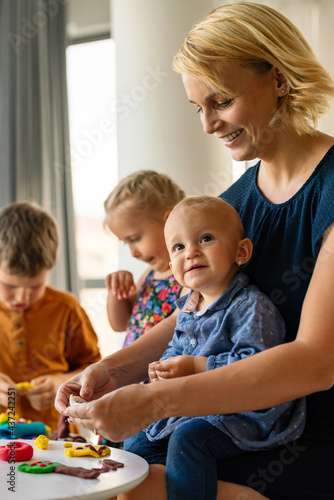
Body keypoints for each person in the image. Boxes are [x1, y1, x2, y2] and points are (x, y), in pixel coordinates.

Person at [56, 3, 334, 499]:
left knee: (134, 489)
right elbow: (196, 312)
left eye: (222, 101)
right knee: (115, 479)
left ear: (278, 78)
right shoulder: (233, 204)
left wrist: (156, 400)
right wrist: (112, 371)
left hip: (303, 433)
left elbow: (316, 361)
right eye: (198, 107)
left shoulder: (330, 188)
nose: (207, 125)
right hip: (226, 421)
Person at [124, 195, 305, 500]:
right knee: (135, 437)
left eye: (205, 239)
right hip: (195, 404)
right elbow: (175, 348)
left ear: (241, 251)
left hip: (244, 412)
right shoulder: (188, 307)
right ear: (172, 265)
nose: (191, 252)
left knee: (188, 440)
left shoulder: (250, 306)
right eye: (179, 247)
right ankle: (160, 485)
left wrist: (195, 367)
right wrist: (162, 370)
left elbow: (258, 367)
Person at [0, 201, 101, 430]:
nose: (22, 296)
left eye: (36, 286)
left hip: (57, 437)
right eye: (10, 286)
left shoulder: (66, 308)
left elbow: (95, 368)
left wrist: (60, 383)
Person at [103, 170, 186, 348]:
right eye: (126, 243)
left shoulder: (189, 272)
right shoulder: (151, 274)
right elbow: (120, 324)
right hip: (135, 373)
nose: (133, 253)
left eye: (134, 239)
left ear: (170, 221)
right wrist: (116, 293)